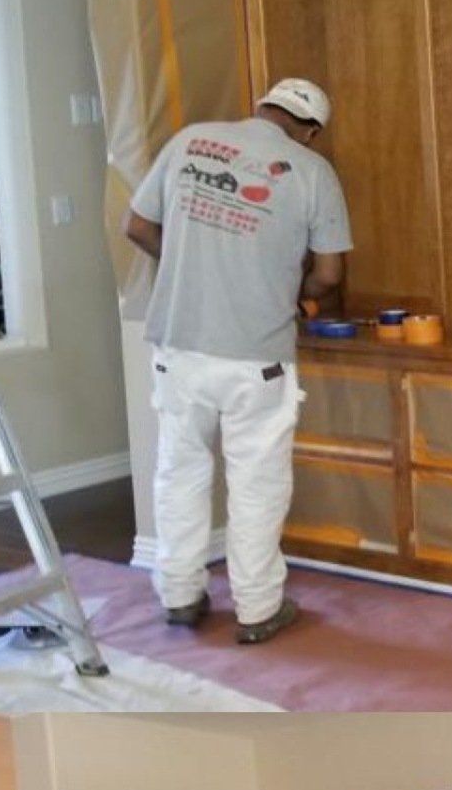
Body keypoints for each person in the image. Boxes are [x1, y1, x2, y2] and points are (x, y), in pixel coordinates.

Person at [123, 78, 352, 644]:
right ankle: (256, 609)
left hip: (178, 345)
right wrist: (290, 293)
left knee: (179, 469)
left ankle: (179, 596)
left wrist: (186, 264)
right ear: (312, 131)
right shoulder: (311, 170)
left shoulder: (190, 141)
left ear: (260, 109)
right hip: (256, 357)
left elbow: (137, 226)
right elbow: (328, 273)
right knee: (257, 482)